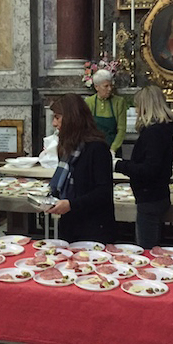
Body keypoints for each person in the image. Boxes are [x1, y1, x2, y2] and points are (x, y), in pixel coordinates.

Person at [113, 86, 173, 249]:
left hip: (150, 198)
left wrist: (118, 165)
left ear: (146, 107)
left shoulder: (153, 133)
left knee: (146, 249)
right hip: (157, 195)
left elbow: (149, 170)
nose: (136, 111)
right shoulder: (162, 130)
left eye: (138, 106)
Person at [47, 93, 116, 243]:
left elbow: (103, 193)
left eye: (57, 117)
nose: (54, 123)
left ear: (72, 117)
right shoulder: (68, 146)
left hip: (94, 229)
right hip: (70, 225)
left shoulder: (97, 148)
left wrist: (71, 204)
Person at [84, 69, 128, 157]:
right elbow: (86, 128)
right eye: (106, 86)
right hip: (94, 150)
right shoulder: (89, 102)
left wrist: (113, 149)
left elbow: (121, 129)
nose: (110, 89)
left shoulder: (119, 102)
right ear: (97, 87)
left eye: (111, 85)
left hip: (114, 150)